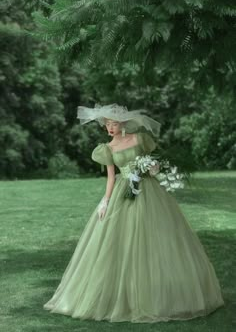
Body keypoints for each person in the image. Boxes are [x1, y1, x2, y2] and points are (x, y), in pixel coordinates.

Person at [43, 103, 224, 323]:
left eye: (114, 123)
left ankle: (162, 293)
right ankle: (123, 294)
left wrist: (154, 168)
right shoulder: (107, 149)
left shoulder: (139, 139)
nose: (110, 128)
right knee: (120, 241)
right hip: (123, 193)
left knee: (158, 238)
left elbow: (158, 161)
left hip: (149, 192)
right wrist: (105, 201)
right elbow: (111, 178)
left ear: (123, 124)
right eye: (108, 124)